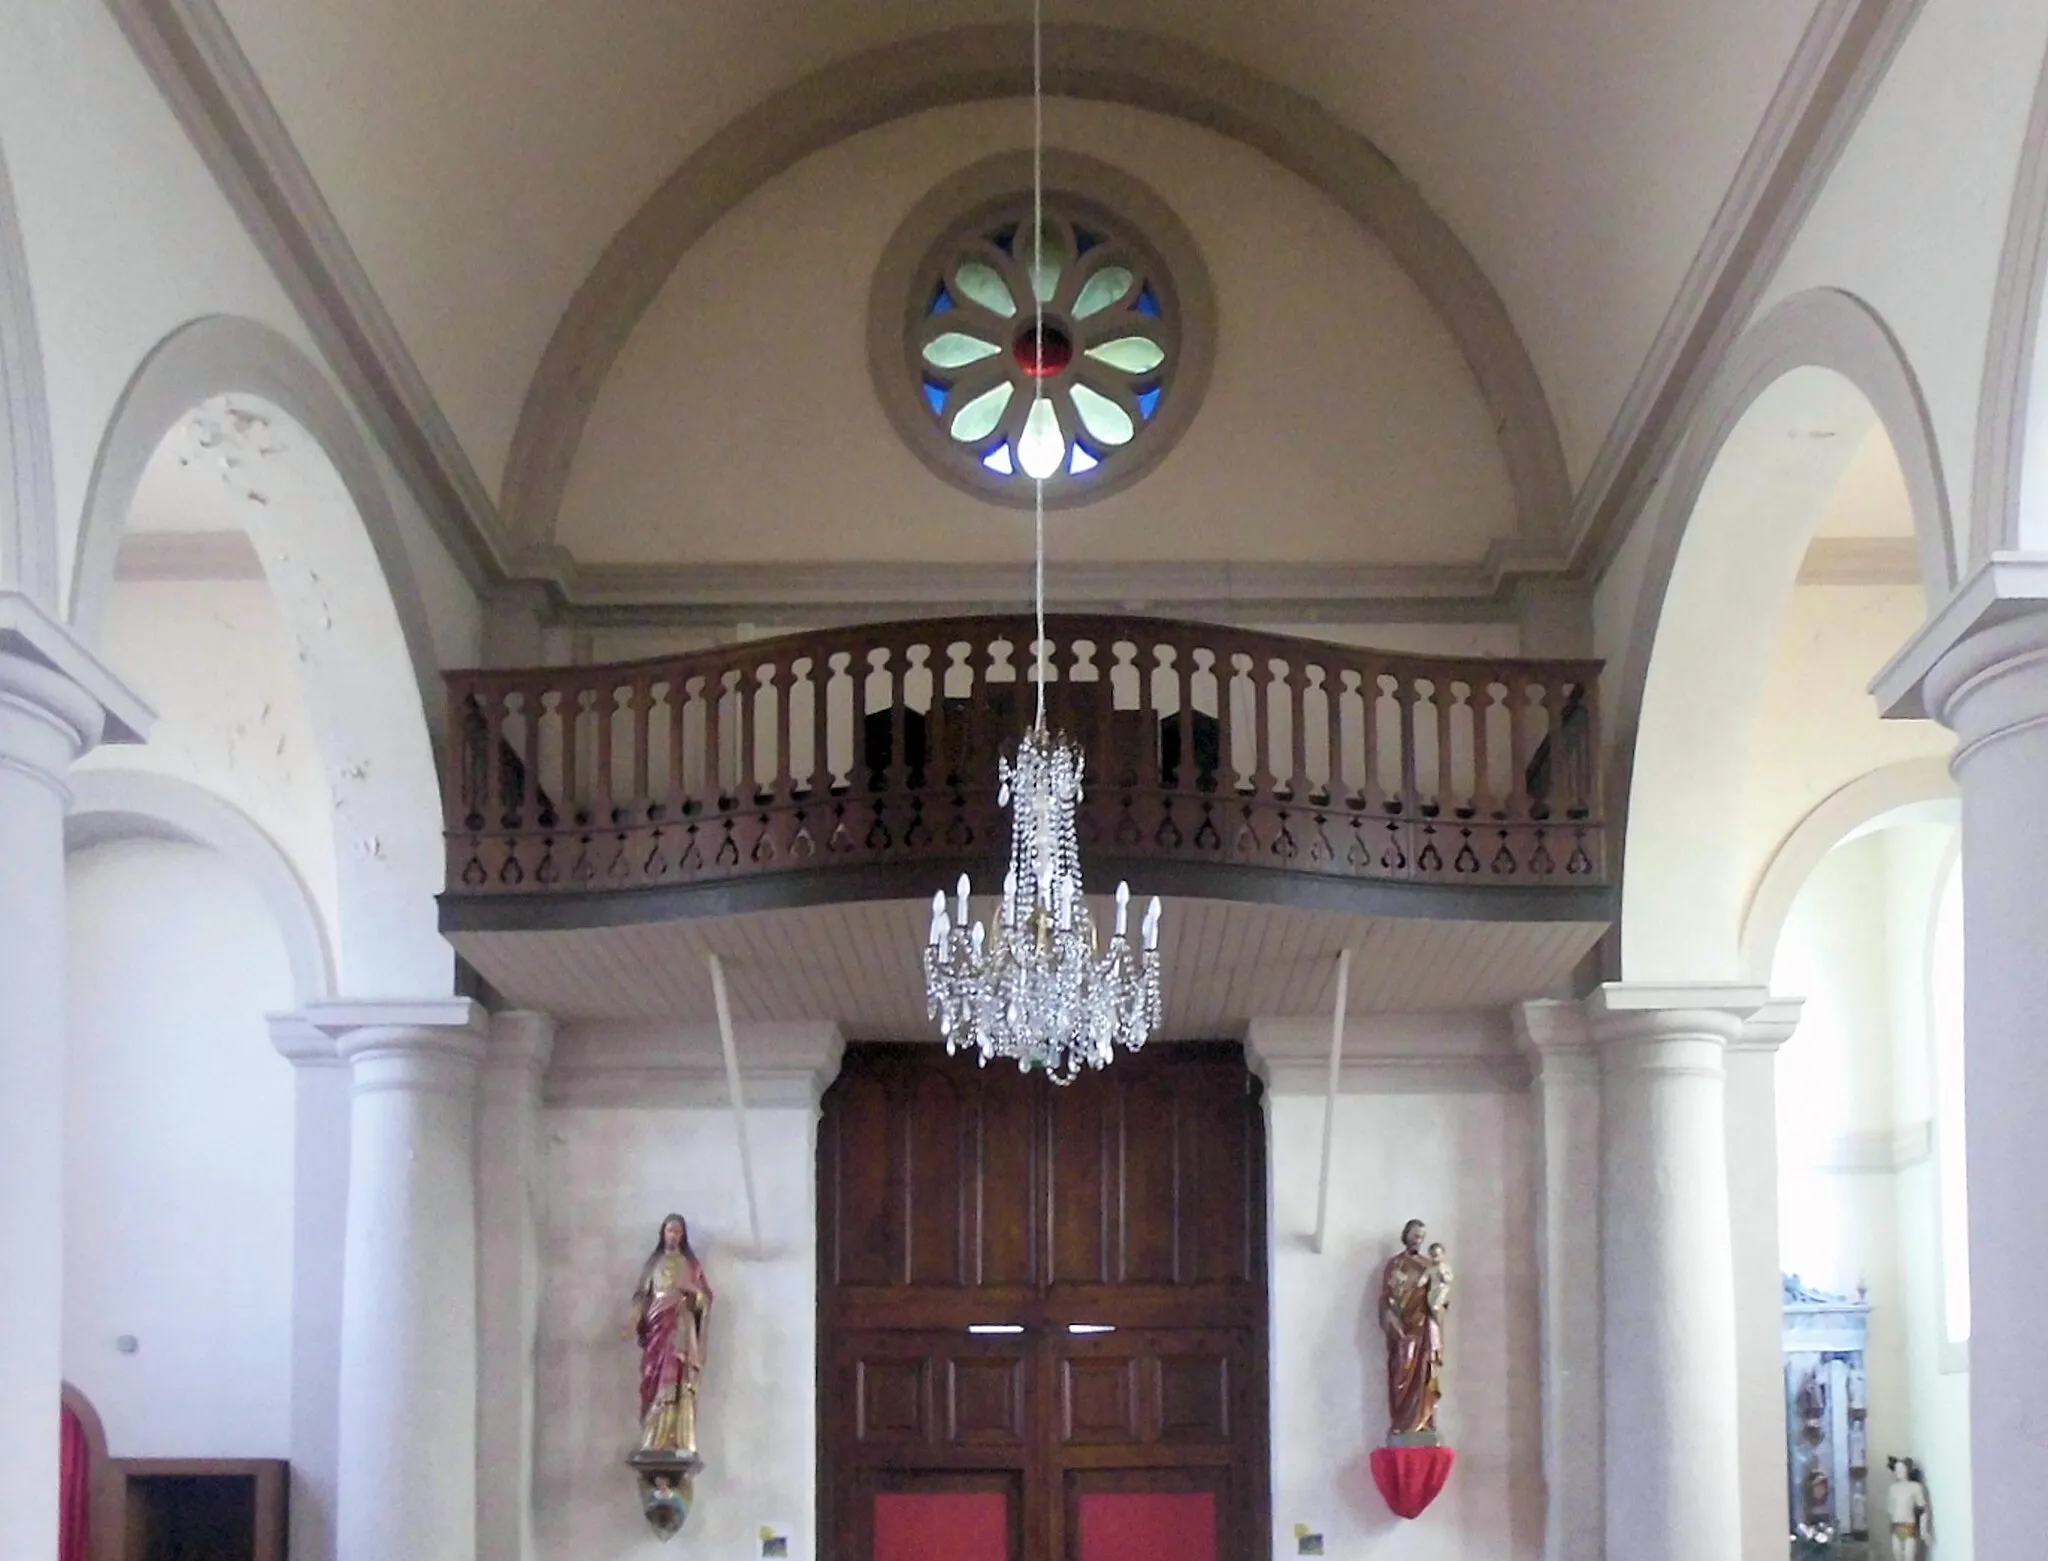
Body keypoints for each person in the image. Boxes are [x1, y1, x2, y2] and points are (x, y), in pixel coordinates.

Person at [626, 1213, 714, 1455]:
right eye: (669, 1230)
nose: (673, 1235)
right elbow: (642, 1297)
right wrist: (634, 1320)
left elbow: (705, 1301)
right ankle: (653, 1438)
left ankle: (677, 1438)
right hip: (657, 1327)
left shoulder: (691, 1266)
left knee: (677, 1378)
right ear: (662, 1234)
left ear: (683, 1235)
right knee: (653, 1378)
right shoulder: (653, 1265)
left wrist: (692, 1291)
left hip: (680, 1330)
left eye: (677, 1231)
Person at [1379, 1219, 1446, 1439]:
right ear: (1406, 1235)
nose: (1418, 1239)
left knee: (1426, 1374)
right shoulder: (1396, 1264)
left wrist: (1440, 1298)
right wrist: (1391, 1318)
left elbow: (1439, 1297)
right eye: (1415, 1234)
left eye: (1422, 1236)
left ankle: (1424, 1421)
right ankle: (1402, 1422)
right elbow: (1387, 1298)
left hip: (1425, 1326)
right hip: (1403, 1328)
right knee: (1403, 1369)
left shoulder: (1429, 1265)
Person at [1886, 1456, 1931, 1561]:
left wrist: (1924, 1531)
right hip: (1896, 1526)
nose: (1898, 1472)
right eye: (1896, 1469)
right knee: (1897, 1554)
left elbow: (1923, 1509)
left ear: (1907, 1470)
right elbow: (1890, 1510)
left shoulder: (1915, 1487)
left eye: (1901, 1469)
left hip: (1909, 1525)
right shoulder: (1893, 1489)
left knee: (1908, 1556)